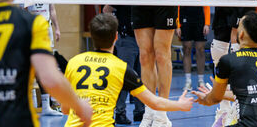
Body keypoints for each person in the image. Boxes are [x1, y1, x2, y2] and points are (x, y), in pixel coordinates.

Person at [64, 13, 194, 127]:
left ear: (91, 36)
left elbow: (65, 109)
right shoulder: (121, 68)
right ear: (116, 37)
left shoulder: (73, 63)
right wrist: (180, 105)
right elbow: (154, 103)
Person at [193, 11, 257, 127]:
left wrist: (206, 98)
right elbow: (254, 95)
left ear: (241, 34)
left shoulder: (228, 60)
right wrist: (222, 94)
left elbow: (214, 99)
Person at [103, 0, 146, 124]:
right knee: (124, 77)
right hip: (127, 40)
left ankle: (140, 111)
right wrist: (117, 25)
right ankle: (120, 112)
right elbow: (106, 9)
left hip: (143, 39)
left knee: (141, 77)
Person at [27, 0, 62, 115]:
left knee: (48, 63)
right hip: (31, 31)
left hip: (46, 30)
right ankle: (32, 101)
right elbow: (22, 12)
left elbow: (52, 10)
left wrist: (57, 28)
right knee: (30, 64)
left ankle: (51, 102)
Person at [175, 0, 210, 91]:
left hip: (199, 20)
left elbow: (207, 5)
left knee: (200, 50)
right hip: (185, 20)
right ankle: (188, 81)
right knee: (187, 49)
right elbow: (177, 6)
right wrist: (178, 25)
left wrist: (207, 23)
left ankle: (201, 81)